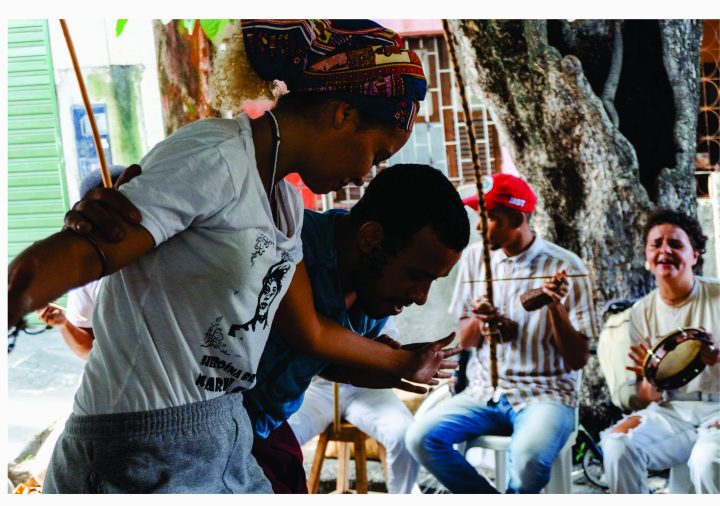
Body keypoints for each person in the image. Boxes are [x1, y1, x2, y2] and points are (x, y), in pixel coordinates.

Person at [6, 20, 458, 494]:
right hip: (137, 444)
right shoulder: (217, 154)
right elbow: (91, 251)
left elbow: (308, 330)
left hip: (221, 432)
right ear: (344, 115)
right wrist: (16, 294)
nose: (368, 173)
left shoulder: (283, 202)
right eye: (377, 151)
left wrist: (395, 364)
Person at [244, 163, 469, 493]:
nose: (421, 297)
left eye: (432, 281)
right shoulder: (292, 245)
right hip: (206, 422)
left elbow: (322, 359)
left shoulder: (373, 294)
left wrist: (367, 369)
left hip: (264, 428)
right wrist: (395, 361)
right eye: (415, 275)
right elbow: (305, 333)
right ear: (370, 238)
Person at [405, 173, 597, 494]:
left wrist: (553, 307)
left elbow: (577, 359)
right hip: (483, 393)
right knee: (420, 438)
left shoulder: (567, 266)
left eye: (490, 217)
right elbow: (465, 340)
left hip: (546, 396)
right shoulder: (473, 259)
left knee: (527, 460)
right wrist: (482, 321)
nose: (479, 226)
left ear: (518, 219)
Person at [601, 208, 720, 494]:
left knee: (707, 461)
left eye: (676, 244)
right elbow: (642, 394)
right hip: (673, 411)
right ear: (647, 258)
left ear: (695, 256)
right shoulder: (640, 312)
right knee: (618, 445)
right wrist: (647, 389)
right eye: (656, 244)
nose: (665, 250)